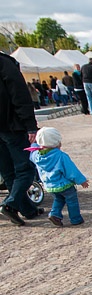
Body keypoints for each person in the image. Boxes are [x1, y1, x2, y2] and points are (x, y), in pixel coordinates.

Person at [0, 50, 42, 225]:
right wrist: (30, 125)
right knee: (25, 169)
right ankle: (9, 204)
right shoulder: (5, 63)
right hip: (12, 126)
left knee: (9, 172)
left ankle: (27, 209)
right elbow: (19, 94)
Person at [27, 127, 89, 227]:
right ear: (56, 143)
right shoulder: (61, 156)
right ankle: (75, 219)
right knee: (71, 201)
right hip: (65, 185)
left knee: (59, 199)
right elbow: (71, 171)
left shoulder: (36, 156)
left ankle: (54, 214)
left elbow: (31, 154)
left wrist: (34, 144)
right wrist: (81, 180)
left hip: (50, 186)